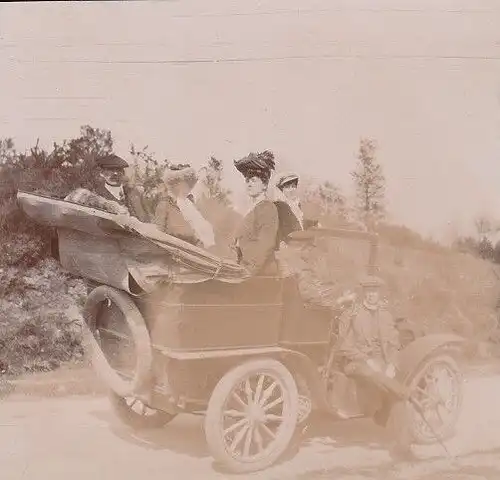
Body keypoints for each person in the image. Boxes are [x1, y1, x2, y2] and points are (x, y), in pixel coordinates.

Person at [337, 274, 415, 461]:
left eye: (375, 292)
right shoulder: (351, 314)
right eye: (369, 292)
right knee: (376, 375)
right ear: (364, 293)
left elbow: (395, 344)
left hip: (381, 365)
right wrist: (367, 360)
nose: (372, 295)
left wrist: (392, 364)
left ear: (380, 293)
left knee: (397, 400)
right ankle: (404, 392)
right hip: (357, 364)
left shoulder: (386, 315)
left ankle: (404, 449)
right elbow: (344, 346)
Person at [232, 150, 281, 276]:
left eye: (253, 180)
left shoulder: (267, 208)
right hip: (245, 268)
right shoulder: (251, 209)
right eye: (247, 180)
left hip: (261, 273)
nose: (249, 184)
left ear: (264, 185)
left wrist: (246, 271)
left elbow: (265, 245)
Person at [65, 154, 150, 222]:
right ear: (101, 173)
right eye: (111, 170)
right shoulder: (95, 194)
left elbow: (145, 219)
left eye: (119, 170)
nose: (115, 173)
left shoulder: (133, 192)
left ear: (123, 173)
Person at [154, 164, 215, 249]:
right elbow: (159, 234)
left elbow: (199, 231)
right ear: (175, 184)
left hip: (193, 249)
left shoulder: (188, 205)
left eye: (188, 183)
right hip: (173, 250)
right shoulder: (165, 204)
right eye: (183, 183)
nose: (187, 187)